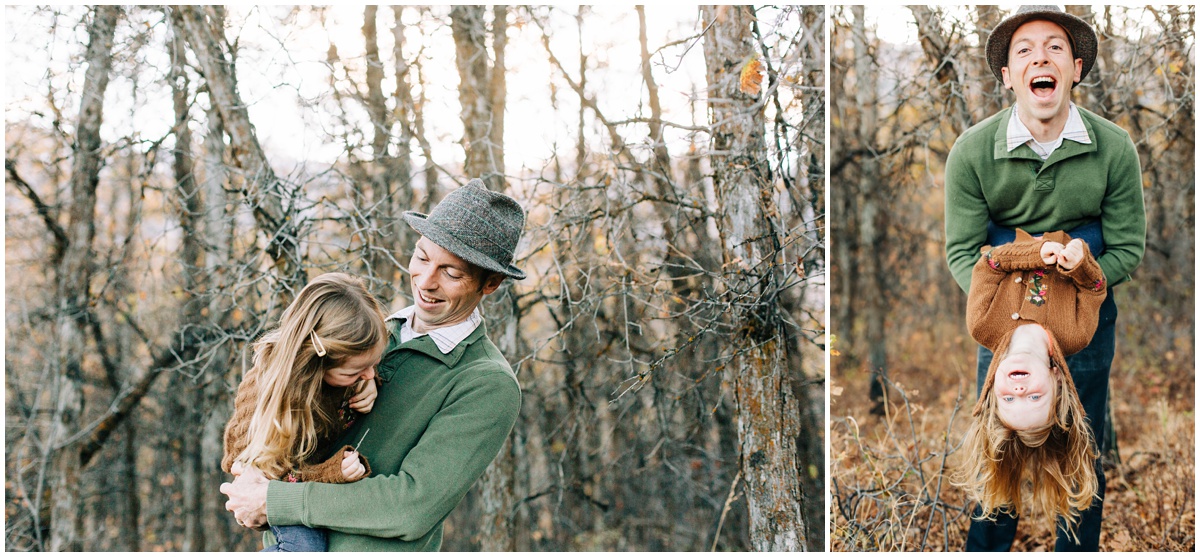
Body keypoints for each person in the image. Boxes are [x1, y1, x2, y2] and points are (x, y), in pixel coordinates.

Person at [221, 179, 526, 551]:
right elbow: (279, 402)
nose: (426, 282)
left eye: (451, 273)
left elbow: (411, 506)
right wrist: (253, 478)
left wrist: (275, 501)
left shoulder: (486, 382)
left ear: (490, 283)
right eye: (422, 257)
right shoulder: (365, 332)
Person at [943, 5, 1145, 551]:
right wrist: (1006, 289)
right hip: (1004, 309)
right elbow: (962, 251)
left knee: (1084, 446)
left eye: (1055, 47)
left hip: (1086, 310)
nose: (1041, 57)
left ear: (1075, 69)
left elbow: (1128, 248)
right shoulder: (972, 152)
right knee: (999, 441)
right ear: (1008, 75)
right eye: (1024, 50)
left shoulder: (1113, 147)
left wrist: (1084, 270)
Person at [955, 229, 1106, 542]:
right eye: (1035, 397)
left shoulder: (982, 326)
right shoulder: (1076, 334)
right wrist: (1080, 266)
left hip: (1013, 231)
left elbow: (988, 264)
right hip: (1076, 232)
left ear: (992, 389)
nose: (1020, 393)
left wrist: (1033, 253)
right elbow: (1095, 290)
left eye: (1009, 401)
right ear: (1057, 379)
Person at [222, 272, 388, 551]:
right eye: (355, 371)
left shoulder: (349, 373)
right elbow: (277, 479)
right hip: (269, 480)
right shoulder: (269, 396)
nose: (368, 374)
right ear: (316, 362)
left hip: (299, 485)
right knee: (304, 548)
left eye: (373, 364)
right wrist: (332, 472)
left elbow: (365, 369)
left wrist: (371, 381)